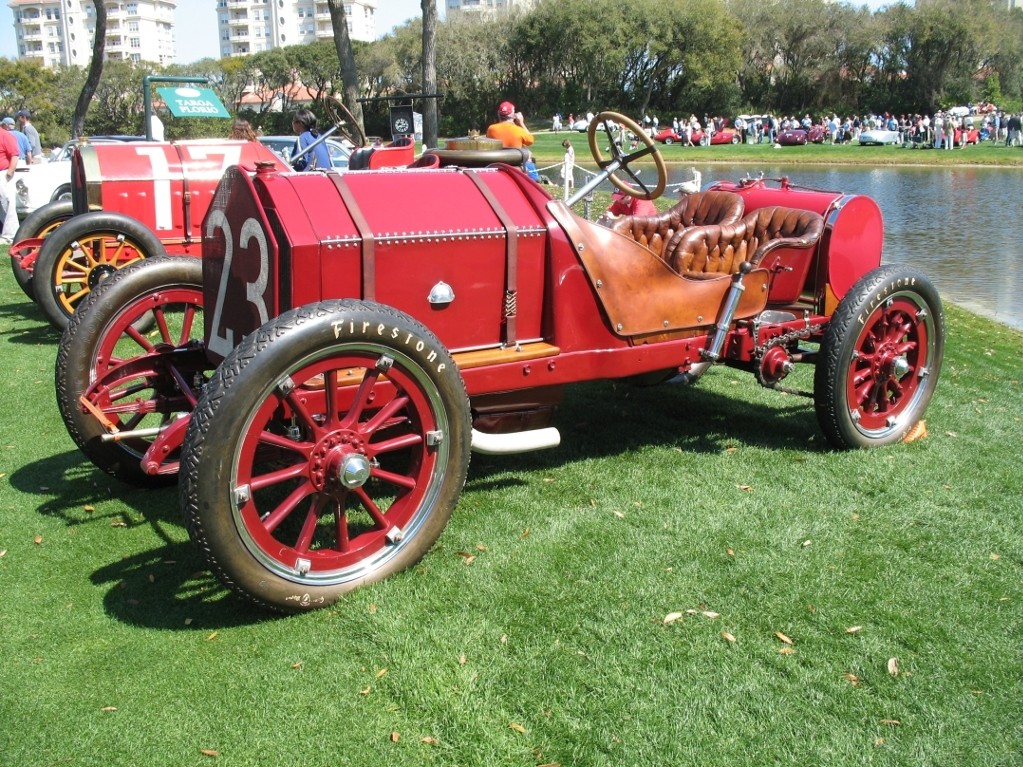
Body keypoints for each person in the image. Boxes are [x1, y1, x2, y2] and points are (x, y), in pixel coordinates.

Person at [0, 123, 21, 243]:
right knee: (1, 206)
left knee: (7, 204)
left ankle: (10, 235)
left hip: (3, 174)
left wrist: (9, 172)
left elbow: (14, 155)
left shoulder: (5, 135)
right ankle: (5, 232)